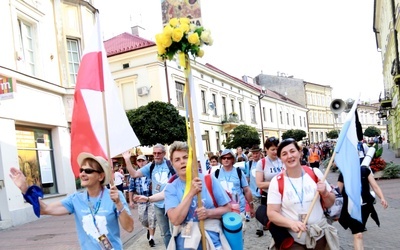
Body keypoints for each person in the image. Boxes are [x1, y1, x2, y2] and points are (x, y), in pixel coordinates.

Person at [9, 152, 133, 250]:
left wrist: (118, 203)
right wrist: (25, 189)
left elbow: (129, 228)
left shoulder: (114, 196)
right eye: (81, 170)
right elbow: (45, 209)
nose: (83, 173)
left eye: (88, 171)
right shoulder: (76, 199)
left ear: (100, 176)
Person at [267, 139, 339, 249]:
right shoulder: (276, 181)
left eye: (292, 151)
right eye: (284, 154)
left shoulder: (315, 173)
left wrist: (325, 193)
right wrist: (291, 223)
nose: (290, 156)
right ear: (281, 158)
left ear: (300, 153)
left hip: (319, 236)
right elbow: (272, 213)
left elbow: (330, 203)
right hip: (294, 241)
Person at [164, 141, 232, 249]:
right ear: (172, 164)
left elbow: (228, 208)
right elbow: (175, 220)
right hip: (186, 239)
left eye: (185, 157)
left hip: (212, 239)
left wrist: (209, 213)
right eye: (177, 159)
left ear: (191, 159)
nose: (182, 162)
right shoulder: (171, 188)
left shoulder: (208, 179)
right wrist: (191, 193)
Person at [123, 144, 174, 248]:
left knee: (176, 231)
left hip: (172, 203)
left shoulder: (170, 164)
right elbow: (134, 174)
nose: (156, 155)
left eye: (159, 153)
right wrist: (127, 159)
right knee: (165, 233)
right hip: (158, 204)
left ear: (164, 154)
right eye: (154, 153)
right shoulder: (151, 166)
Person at [337, 166, 388, 250]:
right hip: (351, 209)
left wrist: (382, 198)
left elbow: (375, 186)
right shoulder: (344, 173)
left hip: (364, 208)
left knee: (359, 234)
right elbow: (338, 192)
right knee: (358, 234)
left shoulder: (364, 171)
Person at [214, 149, 255, 230]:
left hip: (239, 209)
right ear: (221, 160)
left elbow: (246, 190)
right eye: (224, 158)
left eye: (228, 158)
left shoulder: (239, 172)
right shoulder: (216, 173)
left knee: (239, 234)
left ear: (232, 159)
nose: (226, 160)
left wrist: (251, 207)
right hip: (223, 209)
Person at [127, 154, 157, 247]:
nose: (141, 163)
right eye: (139, 161)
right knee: (143, 219)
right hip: (141, 200)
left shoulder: (151, 172)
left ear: (146, 161)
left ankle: (151, 238)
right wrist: (131, 201)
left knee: (152, 218)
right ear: (137, 163)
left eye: (143, 161)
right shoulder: (134, 175)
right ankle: (148, 229)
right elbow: (131, 189)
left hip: (152, 198)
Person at [245, 145, 264, 236]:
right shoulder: (249, 164)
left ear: (260, 153)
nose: (255, 155)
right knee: (256, 210)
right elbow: (247, 178)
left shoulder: (264, 163)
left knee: (265, 209)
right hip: (253, 191)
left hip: (264, 191)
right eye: (254, 153)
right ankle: (259, 228)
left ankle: (265, 224)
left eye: (257, 153)